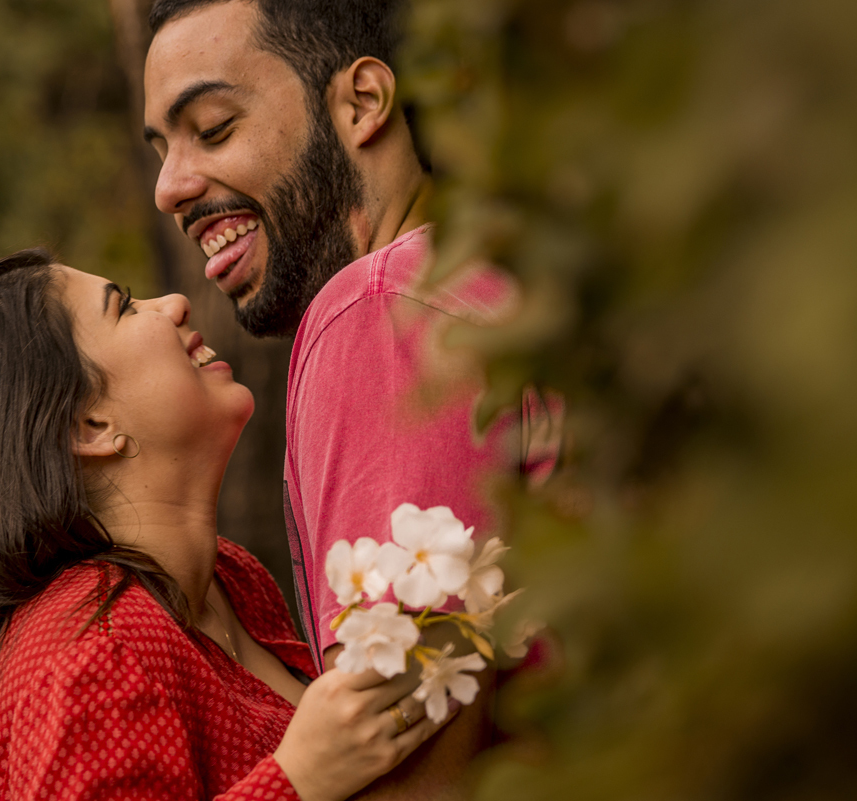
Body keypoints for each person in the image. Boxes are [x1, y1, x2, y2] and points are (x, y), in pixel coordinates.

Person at [142, 1, 562, 794]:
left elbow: (410, 763)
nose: (169, 186)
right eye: (162, 148)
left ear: (363, 102)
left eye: (214, 126)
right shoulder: (507, 268)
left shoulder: (376, 309)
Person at [0, 249, 457, 801]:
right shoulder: (95, 657)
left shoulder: (230, 577)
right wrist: (296, 784)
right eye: (124, 307)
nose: (174, 304)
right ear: (88, 425)